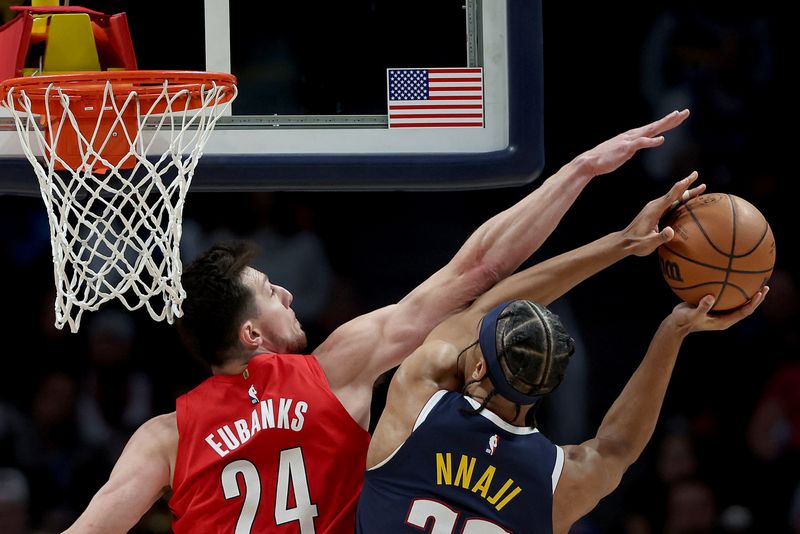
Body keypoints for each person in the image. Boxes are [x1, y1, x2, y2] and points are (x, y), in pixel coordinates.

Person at [61, 109, 690, 533]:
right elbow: (480, 268)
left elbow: (95, 526)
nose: (285, 290)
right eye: (267, 290)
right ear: (252, 336)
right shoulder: (336, 367)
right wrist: (580, 170)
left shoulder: (166, 436)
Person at [354, 200, 767, 533]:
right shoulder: (556, 481)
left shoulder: (418, 398)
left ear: (478, 369)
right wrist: (673, 331)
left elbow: (482, 307)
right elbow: (617, 447)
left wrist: (623, 241)